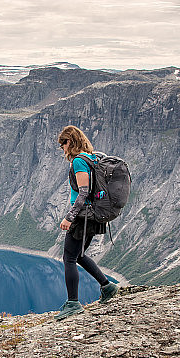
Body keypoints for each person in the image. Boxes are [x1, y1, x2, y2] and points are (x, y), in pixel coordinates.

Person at [55, 125, 119, 320]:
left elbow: (83, 192)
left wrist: (69, 217)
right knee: (80, 255)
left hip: (83, 217)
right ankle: (107, 287)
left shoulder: (79, 162)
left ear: (71, 142)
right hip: (93, 216)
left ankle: (73, 303)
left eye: (63, 143)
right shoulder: (93, 157)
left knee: (69, 259)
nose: (62, 148)